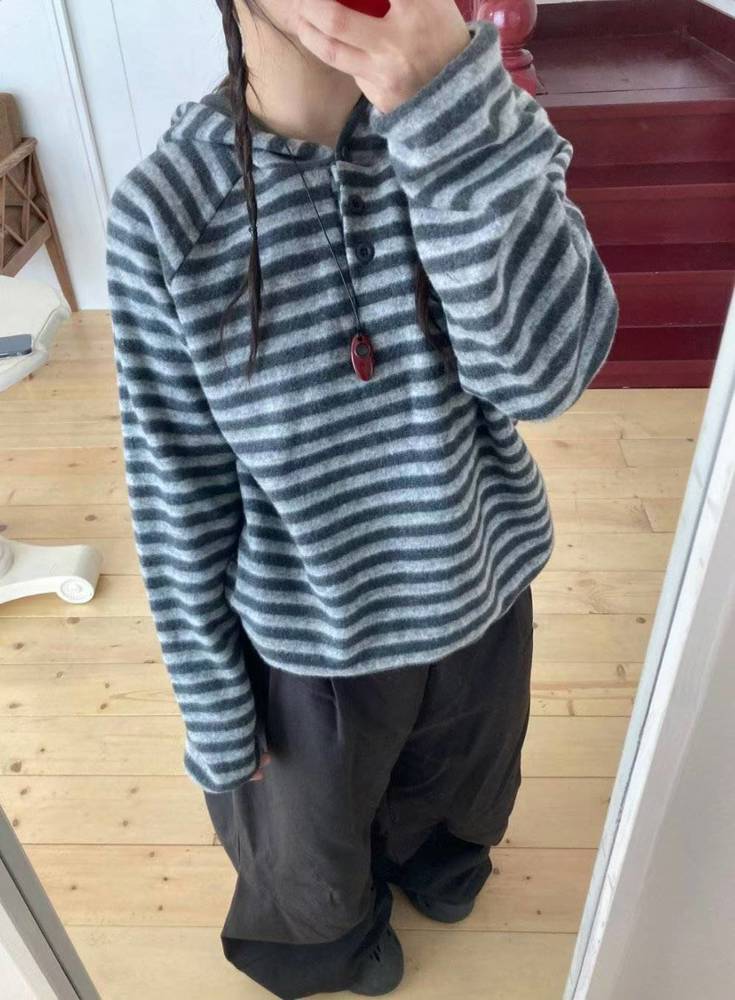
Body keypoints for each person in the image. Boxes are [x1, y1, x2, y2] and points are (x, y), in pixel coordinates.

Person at [105, 1, 619, 997]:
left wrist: (452, 112)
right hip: (313, 642)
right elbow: (177, 490)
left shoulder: (477, 121)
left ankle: (441, 864)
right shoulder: (165, 215)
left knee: (465, 782)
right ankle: (328, 944)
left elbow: (546, 376)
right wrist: (213, 706)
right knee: (307, 849)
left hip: (480, 584)